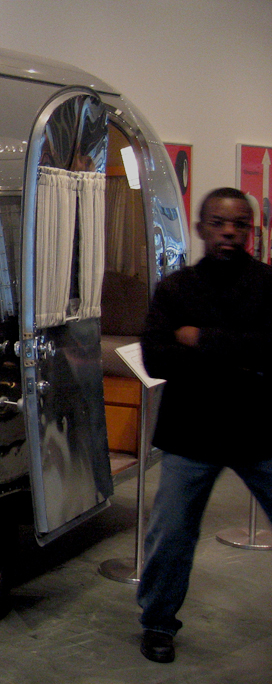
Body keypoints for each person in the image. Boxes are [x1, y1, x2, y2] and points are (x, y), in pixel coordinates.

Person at [137, 187, 272, 663]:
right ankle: (157, 624)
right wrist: (241, 356)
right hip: (191, 435)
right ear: (201, 228)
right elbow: (155, 356)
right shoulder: (174, 290)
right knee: (170, 535)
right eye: (219, 222)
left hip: (259, 433)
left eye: (239, 224)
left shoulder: (269, 285)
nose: (229, 232)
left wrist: (203, 341)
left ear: (251, 231)